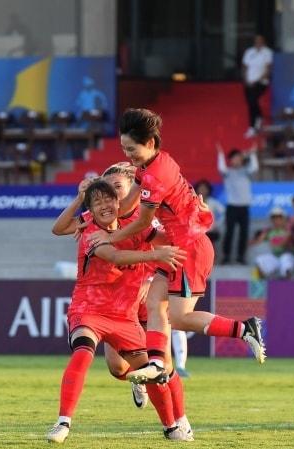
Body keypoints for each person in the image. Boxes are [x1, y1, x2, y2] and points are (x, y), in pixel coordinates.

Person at [87, 108, 266, 387]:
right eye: (123, 148)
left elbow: (143, 218)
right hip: (178, 245)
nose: (127, 155)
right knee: (155, 302)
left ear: (149, 143)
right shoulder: (150, 166)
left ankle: (245, 328)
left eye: (131, 148)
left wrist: (110, 236)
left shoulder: (156, 175)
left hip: (189, 249)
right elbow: (130, 206)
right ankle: (158, 362)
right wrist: (94, 209)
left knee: (179, 318)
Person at [47, 179, 190, 443]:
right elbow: (115, 256)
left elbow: (170, 237)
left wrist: (192, 220)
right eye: (97, 202)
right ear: (90, 208)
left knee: (153, 370)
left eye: (108, 199)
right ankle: (63, 422)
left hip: (125, 314)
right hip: (89, 309)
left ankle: (173, 426)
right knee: (84, 353)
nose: (104, 206)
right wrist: (79, 199)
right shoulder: (89, 228)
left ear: (118, 201)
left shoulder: (136, 225)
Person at [217, 143, 258, 264]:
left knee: (243, 233)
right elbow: (221, 168)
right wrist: (220, 155)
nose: (237, 160)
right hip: (232, 207)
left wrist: (252, 155)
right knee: (229, 232)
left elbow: (254, 167)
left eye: (239, 157)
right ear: (230, 160)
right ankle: (226, 256)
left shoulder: (247, 171)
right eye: (234, 158)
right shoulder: (227, 172)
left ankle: (241, 256)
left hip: (244, 207)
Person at [241, 34, 273, 137]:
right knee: (250, 103)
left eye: (260, 41)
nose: (258, 43)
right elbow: (245, 67)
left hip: (260, 82)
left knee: (253, 100)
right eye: (256, 41)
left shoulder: (267, 52)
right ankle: (259, 118)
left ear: (263, 42)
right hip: (249, 82)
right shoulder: (249, 52)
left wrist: (258, 80)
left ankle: (252, 126)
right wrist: (246, 79)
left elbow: (268, 69)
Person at [252, 207, 294, 279]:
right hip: (275, 257)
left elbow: (285, 244)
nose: (276, 220)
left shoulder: (289, 230)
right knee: (259, 260)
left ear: (283, 219)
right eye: (274, 218)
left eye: (279, 218)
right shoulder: (269, 231)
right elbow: (256, 242)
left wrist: (289, 236)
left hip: (288, 255)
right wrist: (261, 236)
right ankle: (262, 284)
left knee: (286, 261)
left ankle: (286, 284)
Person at [194, 179, 224, 247]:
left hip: (210, 231)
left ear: (208, 190)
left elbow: (223, 213)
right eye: (201, 188)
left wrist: (217, 224)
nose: (203, 190)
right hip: (195, 231)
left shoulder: (213, 202)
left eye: (205, 188)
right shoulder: (192, 201)